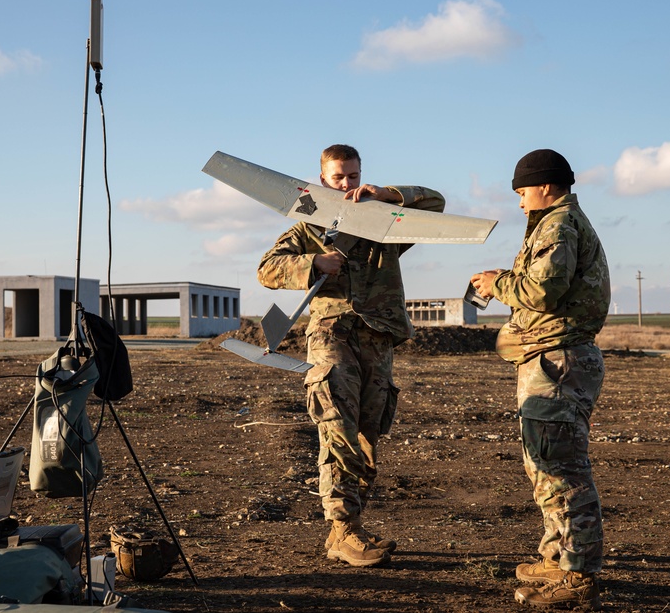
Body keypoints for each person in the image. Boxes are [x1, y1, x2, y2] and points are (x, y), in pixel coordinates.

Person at [257, 143, 445, 567]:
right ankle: (343, 529)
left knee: (367, 434)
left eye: (353, 176)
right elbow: (267, 269)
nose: (346, 184)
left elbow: (436, 202)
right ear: (323, 179)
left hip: (378, 338)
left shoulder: (386, 222)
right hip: (332, 334)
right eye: (338, 177)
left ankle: (349, 527)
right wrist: (314, 262)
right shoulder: (307, 225)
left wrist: (388, 195)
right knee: (337, 428)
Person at [470, 149, 610, 610]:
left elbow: (542, 291)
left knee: (561, 469)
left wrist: (497, 282)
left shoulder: (557, 225)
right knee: (544, 463)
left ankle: (577, 576)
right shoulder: (553, 223)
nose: (519, 201)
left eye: (522, 191)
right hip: (548, 360)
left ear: (546, 186)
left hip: (559, 362)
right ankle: (558, 556)